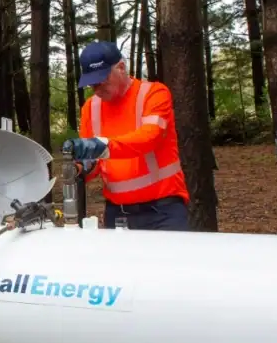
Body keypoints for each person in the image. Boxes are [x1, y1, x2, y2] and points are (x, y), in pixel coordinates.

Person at [61, 40, 191, 231]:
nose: (97, 89)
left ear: (121, 68)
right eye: (92, 84)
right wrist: (80, 167)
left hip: (163, 211)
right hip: (118, 213)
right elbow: (92, 159)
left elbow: (150, 137)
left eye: (102, 80)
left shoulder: (154, 94)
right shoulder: (91, 107)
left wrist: (103, 146)